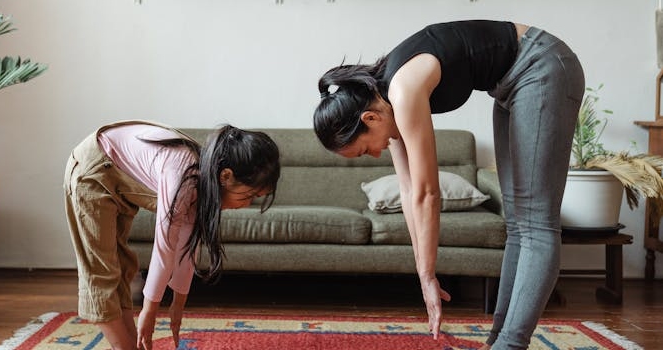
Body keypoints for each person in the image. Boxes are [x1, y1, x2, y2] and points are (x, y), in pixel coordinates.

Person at [312, 20, 584, 349]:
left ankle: (509, 345)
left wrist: (429, 275)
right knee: (518, 223)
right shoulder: (386, 107)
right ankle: (497, 341)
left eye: (365, 149)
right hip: (509, 84)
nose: (373, 154)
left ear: (370, 119)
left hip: (541, 65)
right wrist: (422, 270)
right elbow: (410, 191)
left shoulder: (402, 91)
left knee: (535, 222)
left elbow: (428, 193)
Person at [64, 120, 280, 350]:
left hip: (117, 178)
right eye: (249, 195)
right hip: (93, 170)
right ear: (226, 176)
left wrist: (177, 307)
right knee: (102, 274)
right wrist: (149, 312)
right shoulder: (184, 174)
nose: (247, 205)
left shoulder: (204, 182)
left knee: (122, 267)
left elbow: (186, 247)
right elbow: (165, 246)